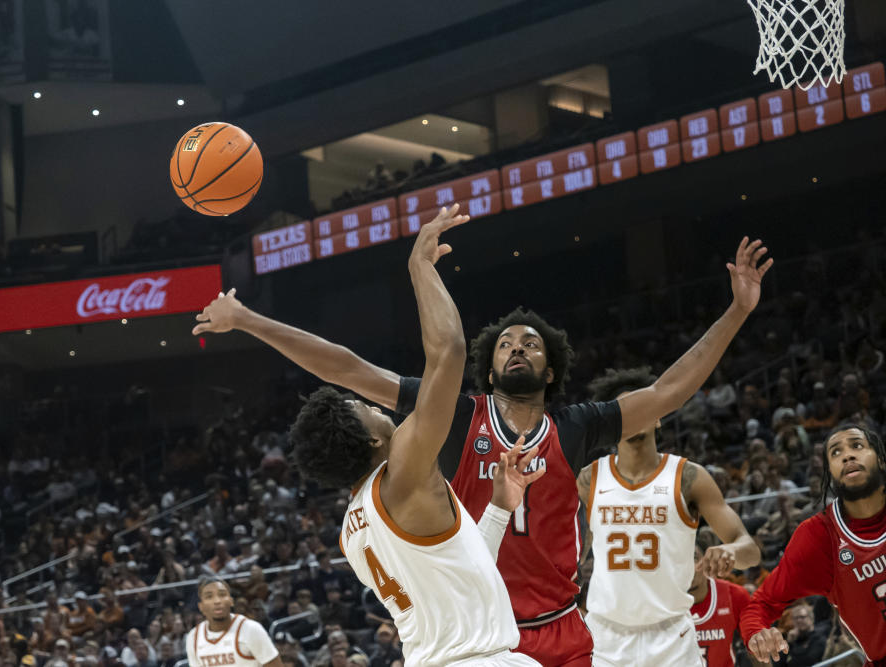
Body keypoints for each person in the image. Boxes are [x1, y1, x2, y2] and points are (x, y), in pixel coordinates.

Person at [193, 234, 772, 666]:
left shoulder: (577, 426)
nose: (519, 347)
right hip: (488, 637)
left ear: (552, 369)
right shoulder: (450, 418)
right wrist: (251, 321)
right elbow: (349, 367)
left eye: (533, 343)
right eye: (506, 344)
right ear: (488, 366)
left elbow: (668, 390)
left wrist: (737, 311)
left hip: (556, 629)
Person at [284, 206, 543, 665]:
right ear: (371, 442)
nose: (373, 405)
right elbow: (449, 351)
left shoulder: (352, 531)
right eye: (364, 409)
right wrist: (419, 267)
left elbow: (461, 571)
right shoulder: (401, 474)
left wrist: (500, 508)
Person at [577, 367, 762, 667]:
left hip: (672, 638)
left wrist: (730, 551)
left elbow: (750, 551)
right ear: (612, 424)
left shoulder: (690, 477)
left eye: (643, 408)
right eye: (626, 412)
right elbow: (571, 554)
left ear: (659, 415)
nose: (636, 417)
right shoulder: (589, 479)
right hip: (607, 637)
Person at [740, 424, 886, 665]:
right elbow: (761, 604)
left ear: (880, 459)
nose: (848, 455)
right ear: (831, 472)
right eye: (836, 453)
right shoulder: (820, 536)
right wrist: (757, 632)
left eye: (857, 446)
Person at [688, 543, 765, 667]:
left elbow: (758, 649)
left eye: (694, 557)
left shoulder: (734, 595)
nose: (688, 565)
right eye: (681, 559)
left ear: (706, 561)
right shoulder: (660, 600)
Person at [185, 577, 282, 667]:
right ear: (201, 606)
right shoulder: (193, 637)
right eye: (209, 597)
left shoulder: (251, 629)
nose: (217, 601)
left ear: (231, 601)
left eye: (222, 594)